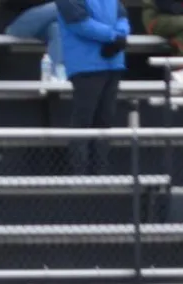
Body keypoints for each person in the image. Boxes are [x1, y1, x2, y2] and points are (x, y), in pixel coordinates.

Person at [56, 0, 129, 175]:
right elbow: (79, 24)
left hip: (113, 63)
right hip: (86, 66)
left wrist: (119, 36)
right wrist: (114, 37)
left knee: (105, 120)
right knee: (84, 120)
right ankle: (80, 175)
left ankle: (100, 173)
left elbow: (122, 17)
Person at [3, 1, 67, 82]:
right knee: (62, 5)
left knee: (56, 28)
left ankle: (55, 76)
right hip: (18, 21)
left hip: (47, 23)